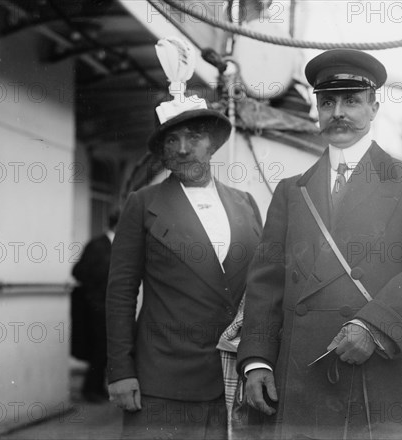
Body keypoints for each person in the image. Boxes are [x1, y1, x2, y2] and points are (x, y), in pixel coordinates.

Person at [237, 49, 402, 439]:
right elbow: (266, 283)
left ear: (374, 107)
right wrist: (256, 360)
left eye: (351, 101)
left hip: (374, 373)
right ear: (317, 109)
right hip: (299, 377)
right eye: (327, 102)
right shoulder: (292, 191)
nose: (338, 112)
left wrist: (373, 328)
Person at [105, 96, 262, 438]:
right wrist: (120, 370)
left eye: (193, 137)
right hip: (163, 382)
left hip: (234, 379)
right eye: (171, 141)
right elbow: (120, 293)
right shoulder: (142, 204)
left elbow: (263, 289)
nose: (182, 148)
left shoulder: (246, 204)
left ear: (212, 143)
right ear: (162, 152)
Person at [72, 210, 119, 402]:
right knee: (98, 348)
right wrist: (95, 294)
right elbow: (78, 271)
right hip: (96, 306)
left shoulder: (115, 245)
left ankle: (97, 388)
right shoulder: (98, 245)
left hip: (109, 305)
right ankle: (90, 389)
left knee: (105, 349)